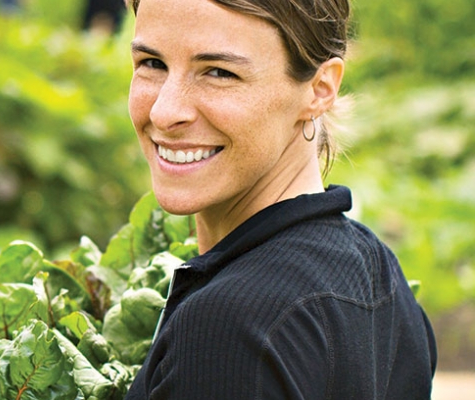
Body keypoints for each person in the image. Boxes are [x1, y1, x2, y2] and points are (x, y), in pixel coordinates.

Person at [122, 0, 438, 398]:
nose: (165, 112)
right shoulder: (379, 273)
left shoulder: (229, 329)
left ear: (320, 89)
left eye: (219, 72)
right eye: (152, 63)